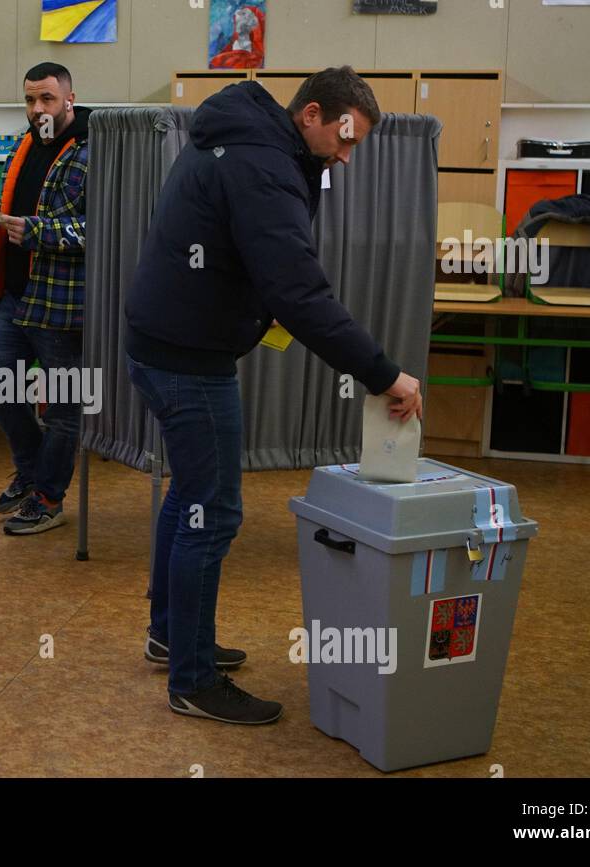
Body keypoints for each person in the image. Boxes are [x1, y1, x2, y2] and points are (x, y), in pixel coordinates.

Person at [125, 66, 423, 724]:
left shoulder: (252, 138)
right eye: (345, 138)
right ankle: (193, 680)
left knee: (189, 494)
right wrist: (384, 372)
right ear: (312, 113)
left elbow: (274, 275)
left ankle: (173, 636)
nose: (347, 156)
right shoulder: (262, 163)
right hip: (188, 359)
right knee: (214, 508)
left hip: (166, 341)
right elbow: (299, 292)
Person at [0, 63, 89, 536]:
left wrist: (38, 232)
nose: (38, 109)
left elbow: (106, 229)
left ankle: (48, 498)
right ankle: (32, 472)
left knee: (63, 407)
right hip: (17, 294)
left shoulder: (93, 150)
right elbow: (11, 213)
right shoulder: (22, 145)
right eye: (30, 100)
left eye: (47, 100)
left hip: (61, 303)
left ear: (70, 99)